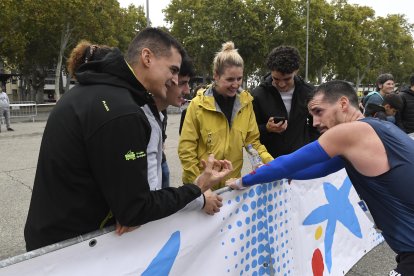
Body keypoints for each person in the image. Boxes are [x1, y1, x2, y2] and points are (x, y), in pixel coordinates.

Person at [24, 28, 233, 251]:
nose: (174, 80)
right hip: (71, 251)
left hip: (51, 244)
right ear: (147, 57)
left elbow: (125, 200)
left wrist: (128, 207)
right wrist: (198, 187)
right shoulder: (122, 110)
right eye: (172, 70)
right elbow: (135, 210)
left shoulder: (92, 92)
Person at [227, 80, 414, 275]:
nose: (315, 123)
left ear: (343, 104)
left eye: (319, 112)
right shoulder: (376, 128)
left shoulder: (349, 132)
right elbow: (320, 168)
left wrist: (242, 181)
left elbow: (288, 163)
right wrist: (285, 174)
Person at [178, 41, 273, 190]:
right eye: (230, 79)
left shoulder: (246, 104)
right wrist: (199, 186)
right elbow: (186, 149)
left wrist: (272, 164)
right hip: (203, 186)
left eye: (239, 79)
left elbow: (252, 143)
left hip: (231, 187)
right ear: (216, 75)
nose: (235, 84)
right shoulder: (197, 105)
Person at [251, 45, 319, 158]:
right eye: (276, 79)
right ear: (271, 71)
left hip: (302, 159)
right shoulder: (258, 95)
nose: (281, 84)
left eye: (287, 79)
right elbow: (250, 133)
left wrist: (309, 147)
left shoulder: (309, 92)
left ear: (296, 71)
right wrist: (267, 129)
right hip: (270, 161)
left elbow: (318, 126)